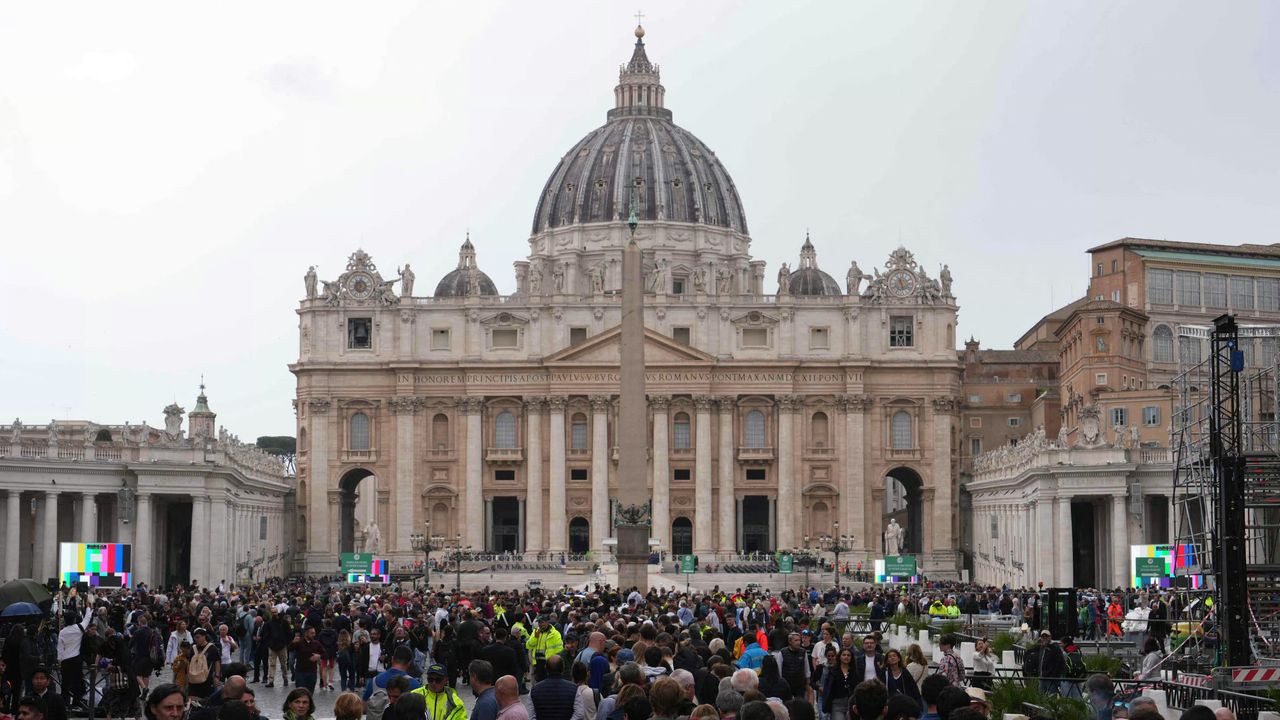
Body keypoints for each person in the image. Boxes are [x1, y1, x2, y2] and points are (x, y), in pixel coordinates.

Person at [531, 655, 578, 720]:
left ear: (546, 668)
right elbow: (579, 714)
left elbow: (531, 715)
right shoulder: (574, 689)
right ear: (563, 668)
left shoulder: (534, 690)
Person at [1023, 631, 1065, 696]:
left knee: (1051, 696)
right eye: (1043, 637)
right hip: (1042, 677)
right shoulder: (1042, 647)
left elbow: (1060, 663)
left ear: (1050, 637)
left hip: (1050, 678)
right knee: (1041, 697)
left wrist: (1053, 674)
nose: (1045, 638)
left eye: (1046, 636)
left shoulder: (1055, 648)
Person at [821, 649, 855, 720]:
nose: (846, 657)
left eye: (848, 655)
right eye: (844, 655)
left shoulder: (854, 671)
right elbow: (827, 688)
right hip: (837, 704)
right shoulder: (833, 671)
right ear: (839, 657)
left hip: (851, 704)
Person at [291, 626, 323, 693]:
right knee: (300, 693)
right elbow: (290, 649)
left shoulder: (316, 643)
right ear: (306, 633)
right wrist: (293, 642)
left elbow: (324, 654)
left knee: (310, 694)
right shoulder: (299, 642)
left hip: (312, 672)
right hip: (300, 672)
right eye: (312, 633)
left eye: (314, 633)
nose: (314, 635)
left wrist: (319, 656)